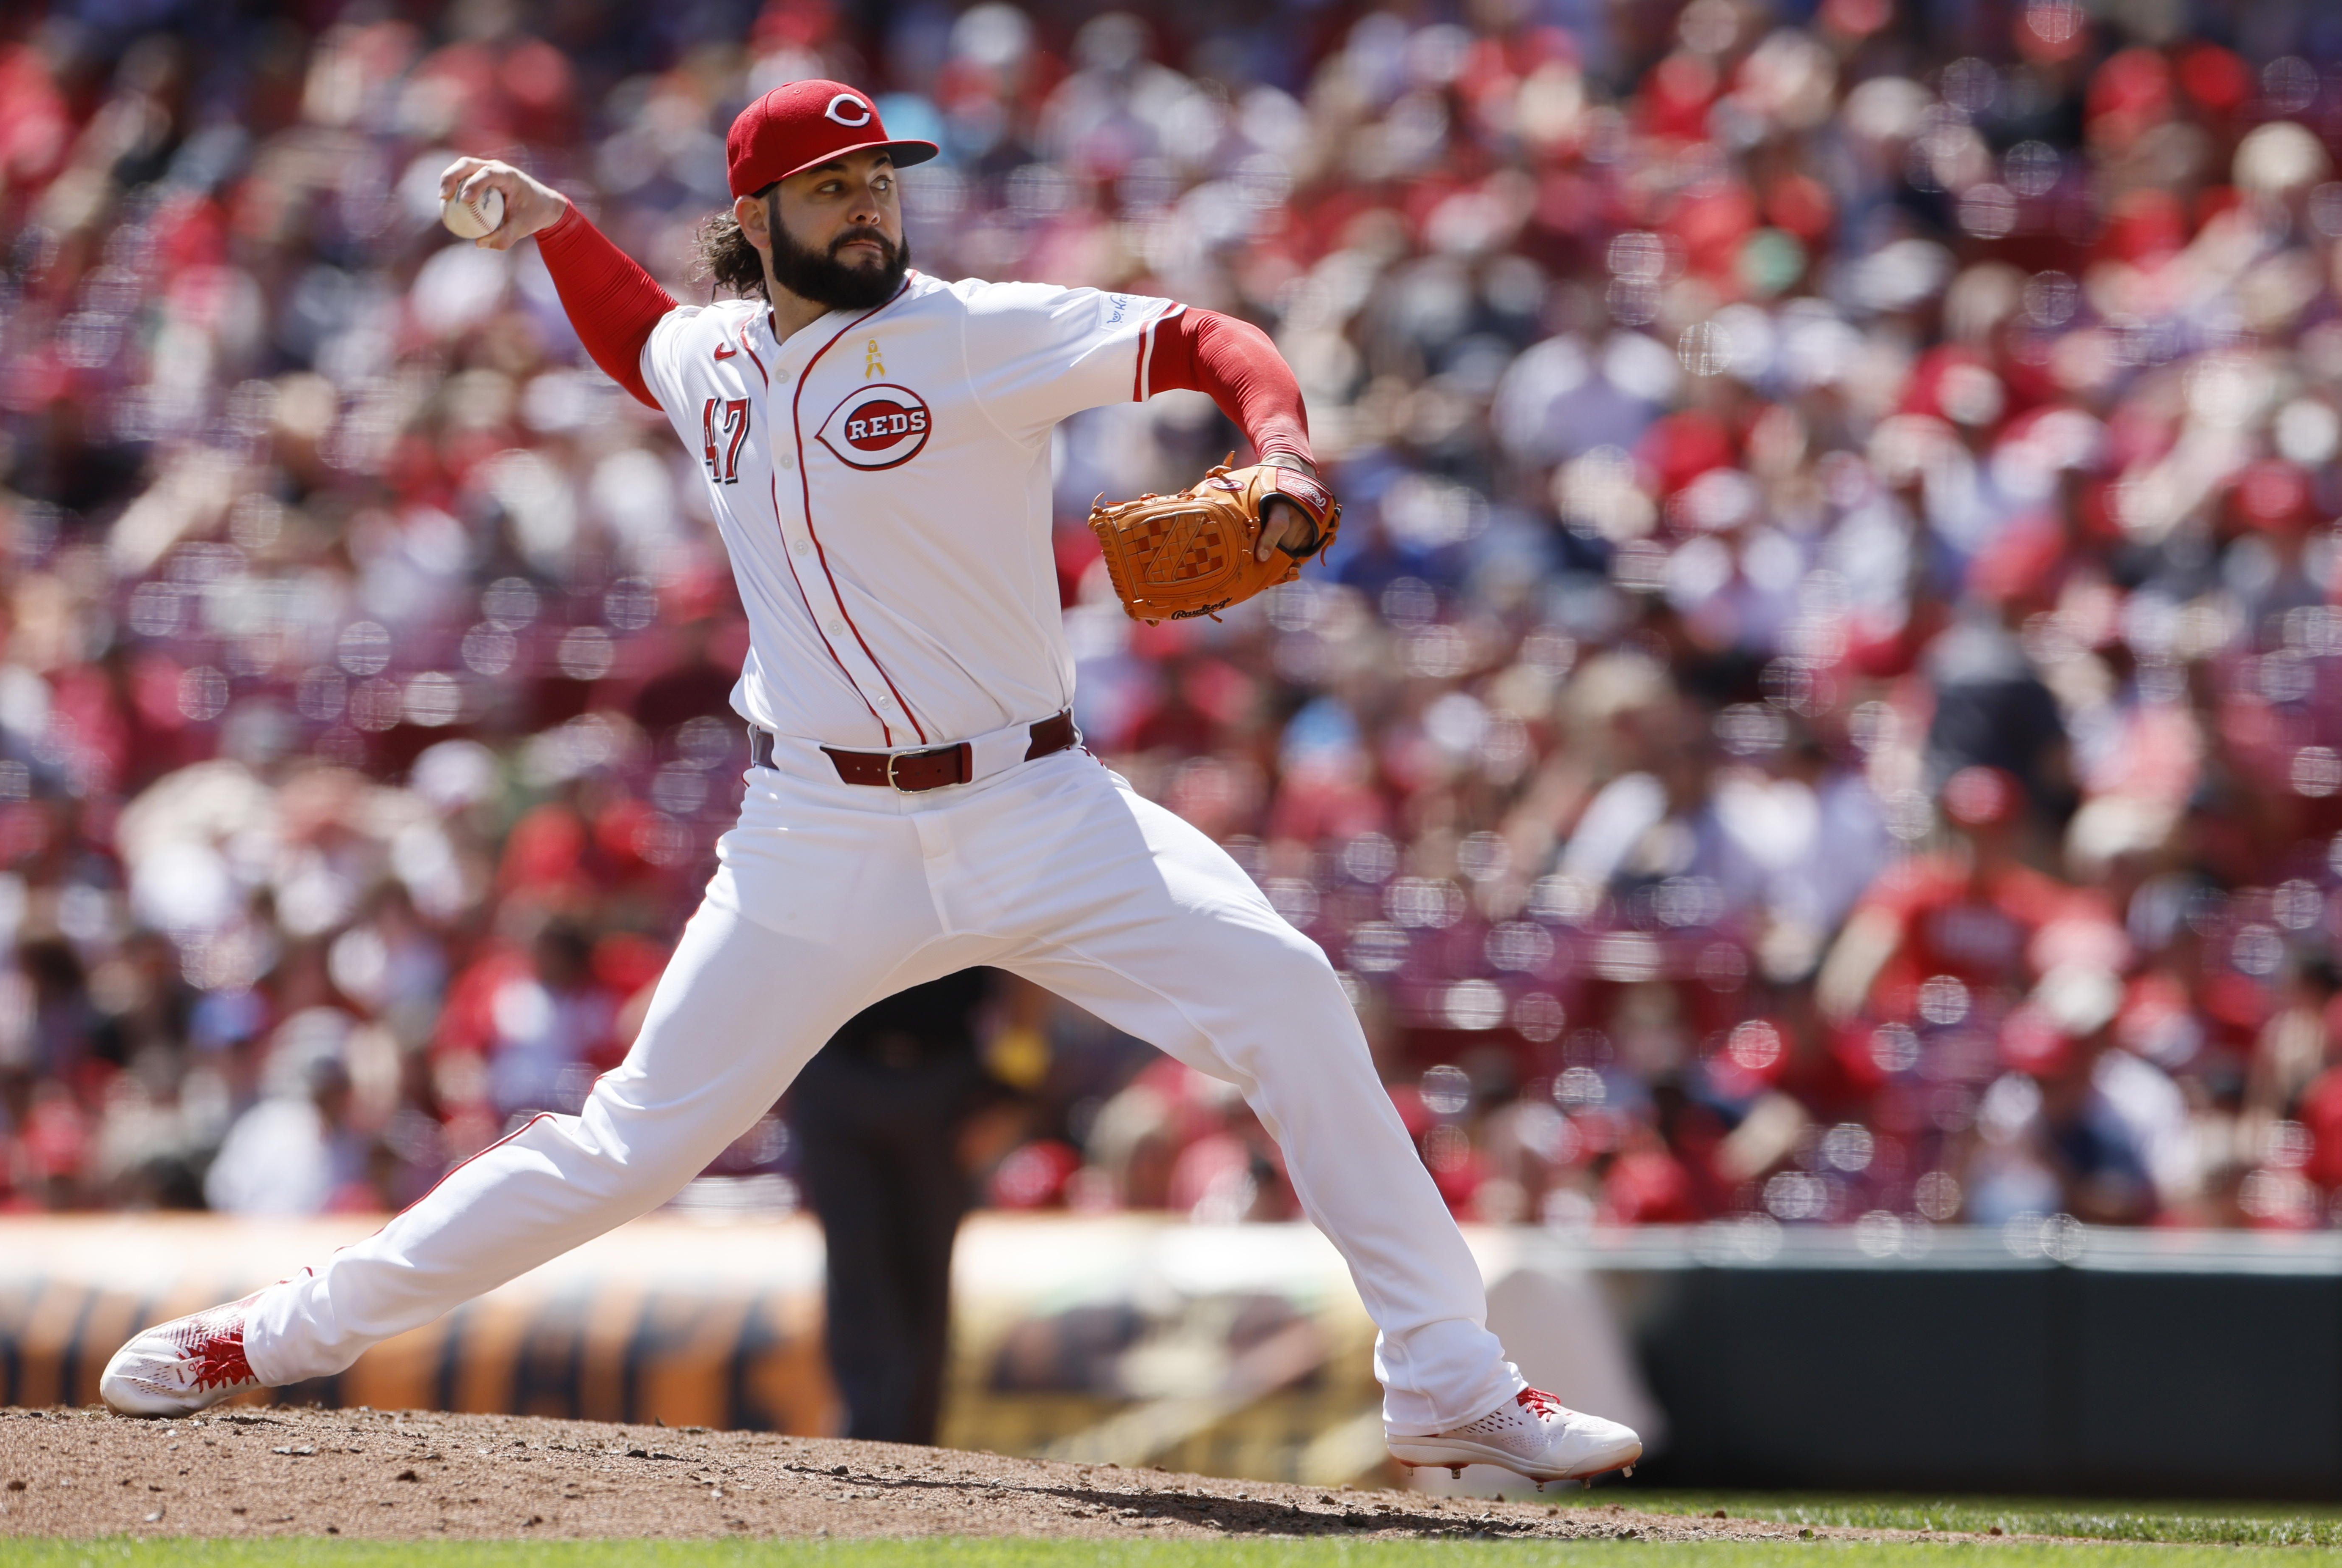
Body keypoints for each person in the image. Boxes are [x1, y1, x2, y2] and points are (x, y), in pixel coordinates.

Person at [97, 79, 1639, 1487]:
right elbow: (638, 338)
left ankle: (1448, 1380)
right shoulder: (712, 352)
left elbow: (1198, 340)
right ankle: (273, 1337)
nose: (870, 207)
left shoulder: (970, 332)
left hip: (1037, 809)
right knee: (627, 1143)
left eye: (881, 182)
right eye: (833, 188)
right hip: (815, 834)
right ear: (755, 219)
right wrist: (560, 231)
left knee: (1291, 997)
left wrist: (1285, 451)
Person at [790, 968, 1006, 1446]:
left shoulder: (968, 887)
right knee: (854, 1267)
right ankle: (863, 1445)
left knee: (926, 1276)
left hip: (944, 1076)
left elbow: (1027, 953)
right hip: (836, 1063)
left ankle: (914, 1447)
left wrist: (1014, 1084)